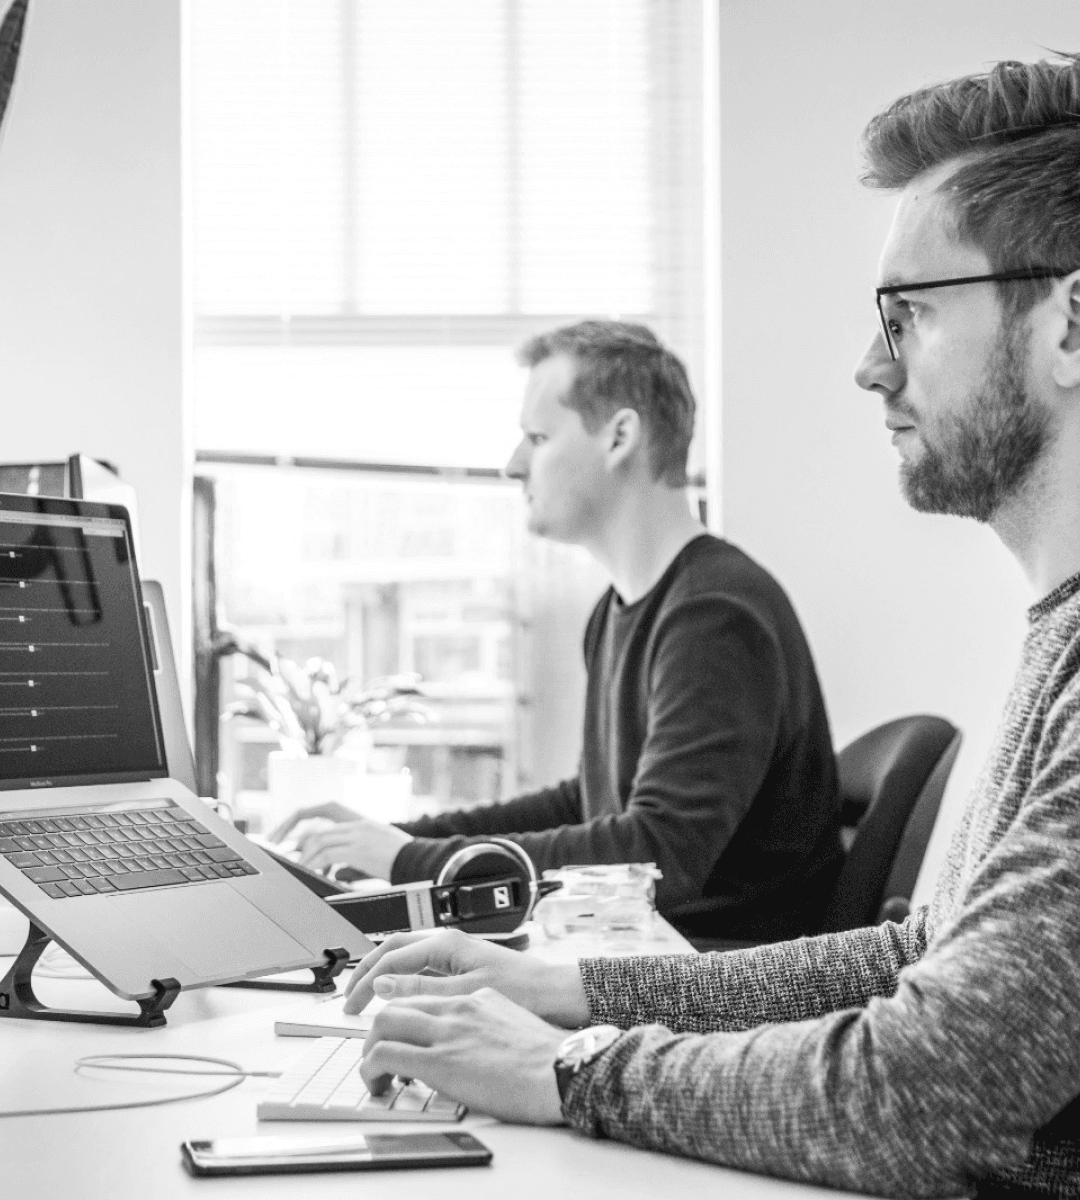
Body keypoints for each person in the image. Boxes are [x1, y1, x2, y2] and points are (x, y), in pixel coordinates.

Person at [337, 53, 1080, 1198]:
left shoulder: (726, 605)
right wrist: (572, 993)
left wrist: (574, 1068)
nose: (870, 367)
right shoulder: (1054, 639)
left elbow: (931, 1086)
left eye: (913, 315)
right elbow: (912, 958)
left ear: (1070, 325)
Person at [276, 321, 843, 945]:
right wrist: (403, 839)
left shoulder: (715, 616)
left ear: (619, 437)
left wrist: (409, 862)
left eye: (538, 437)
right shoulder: (622, 610)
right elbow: (589, 804)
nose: (513, 464)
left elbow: (656, 857)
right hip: (649, 952)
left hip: (715, 979)